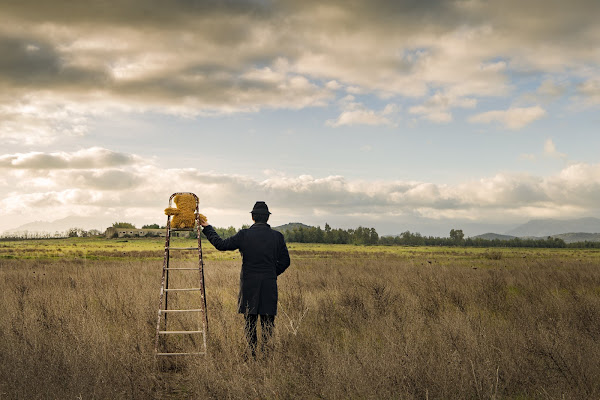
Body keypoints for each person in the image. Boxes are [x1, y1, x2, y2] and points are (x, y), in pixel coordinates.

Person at [200, 201, 290, 359]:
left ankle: (253, 354)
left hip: (249, 284)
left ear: (253, 217)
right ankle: (266, 355)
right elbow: (285, 261)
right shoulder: (277, 237)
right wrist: (272, 273)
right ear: (267, 218)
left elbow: (220, 245)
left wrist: (207, 227)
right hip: (269, 284)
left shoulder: (244, 235)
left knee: (250, 321)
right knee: (268, 321)